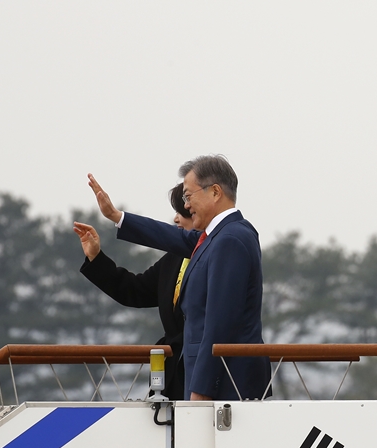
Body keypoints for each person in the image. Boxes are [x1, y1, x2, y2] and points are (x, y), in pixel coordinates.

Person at [87, 155, 271, 401]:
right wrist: (117, 216)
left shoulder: (231, 239)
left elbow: (219, 323)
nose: (186, 206)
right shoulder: (217, 237)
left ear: (215, 192)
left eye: (188, 196)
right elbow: (173, 238)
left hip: (222, 388)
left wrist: (202, 390)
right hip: (204, 382)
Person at [73, 185, 193, 401]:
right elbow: (134, 290)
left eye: (182, 212)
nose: (176, 219)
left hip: (206, 376)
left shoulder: (218, 255)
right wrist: (96, 257)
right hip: (173, 378)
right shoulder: (173, 259)